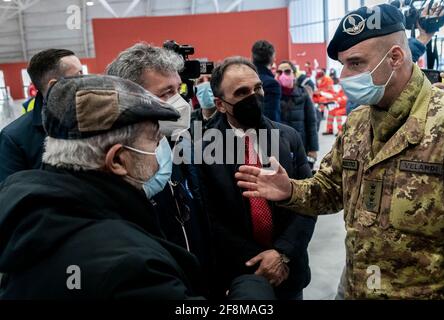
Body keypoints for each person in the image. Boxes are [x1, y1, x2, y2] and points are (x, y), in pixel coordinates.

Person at [236, 4, 444, 299]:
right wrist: (290, 191)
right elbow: (331, 188)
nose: (345, 75)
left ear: (395, 58)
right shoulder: (358, 122)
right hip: (354, 287)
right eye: (343, 65)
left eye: (356, 63)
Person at [0, 75, 276, 300]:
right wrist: (252, 290)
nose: (161, 148)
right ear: (118, 160)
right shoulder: (130, 266)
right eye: (154, 140)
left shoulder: (31, 215)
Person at [198, 57, 316, 300]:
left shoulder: (289, 137)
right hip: (239, 277)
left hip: (289, 270)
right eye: (242, 92)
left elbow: (309, 202)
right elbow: (210, 219)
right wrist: (258, 263)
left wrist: (281, 254)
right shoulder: (202, 149)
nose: (254, 97)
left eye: (257, 88)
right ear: (220, 104)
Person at [106, 43, 213, 294]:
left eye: (179, 90)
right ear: (128, 99)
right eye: (166, 93)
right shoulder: (110, 170)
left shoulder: (178, 146)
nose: (179, 102)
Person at [0, 49, 83, 183]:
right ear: (55, 86)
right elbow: (10, 194)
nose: (87, 80)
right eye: (78, 75)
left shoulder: (94, 118)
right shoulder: (13, 139)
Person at [276, 60, 319, 167]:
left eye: (287, 72)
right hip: (280, 148)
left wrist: (313, 149)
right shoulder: (273, 96)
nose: (283, 75)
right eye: (279, 72)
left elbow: (311, 123)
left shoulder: (303, 95)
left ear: (294, 75)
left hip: (301, 146)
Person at [251, 40, 281, 122]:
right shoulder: (271, 84)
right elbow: (271, 118)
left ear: (253, 57)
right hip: (264, 132)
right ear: (272, 58)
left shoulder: (244, 78)